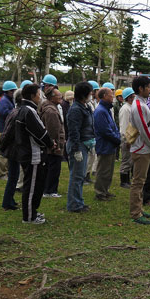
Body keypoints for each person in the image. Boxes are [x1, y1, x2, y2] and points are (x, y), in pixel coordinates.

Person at [7, 83, 55, 224]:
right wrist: (50, 143)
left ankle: (33, 212)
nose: (40, 97)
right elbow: (40, 132)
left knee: (36, 185)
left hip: (29, 152)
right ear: (33, 95)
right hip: (31, 154)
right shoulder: (28, 111)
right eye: (39, 94)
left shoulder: (25, 109)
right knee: (31, 186)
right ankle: (28, 217)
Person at [129, 76, 150, 225]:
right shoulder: (139, 106)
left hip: (143, 147)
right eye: (148, 87)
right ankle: (136, 213)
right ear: (140, 89)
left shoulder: (141, 103)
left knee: (141, 181)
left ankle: (139, 208)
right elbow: (144, 129)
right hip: (142, 148)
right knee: (138, 182)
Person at [65, 81, 95, 213]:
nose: (92, 95)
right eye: (90, 92)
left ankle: (78, 201)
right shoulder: (76, 109)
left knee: (80, 175)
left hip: (84, 144)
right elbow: (73, 131)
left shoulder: (84, 106)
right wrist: (76, 149)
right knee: (76, 176)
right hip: (78, 145)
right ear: (84, 94)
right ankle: (74, 205)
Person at [93, 87, 121, 201]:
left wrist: (117, 136)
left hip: (110, 145)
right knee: (103, 170)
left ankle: (105, 190)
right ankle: (100, 192)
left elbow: (113, 127)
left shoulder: (106, 109)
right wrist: (117, 139)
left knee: (108, 170)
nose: (113, 97)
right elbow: (105, 131)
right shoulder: (100, 111)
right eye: (111, 95)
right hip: (105, 144)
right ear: (104, 96)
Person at [41, 88, 66, 198]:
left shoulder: (51, 107)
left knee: (51, 167)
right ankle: (50, 191)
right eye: (58, 95)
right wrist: (56, 145)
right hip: (54, 145)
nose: (60, 97)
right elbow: (53, 131)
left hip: (54, 144)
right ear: (51, 97)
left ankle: (49, 189)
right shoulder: (51, 111)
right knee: (54, 168)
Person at [0, 81, 18, 181]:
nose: (14, 92)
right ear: (7, 91)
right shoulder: (4, 101)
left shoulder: (10, 100)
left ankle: (6, 172)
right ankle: (1, 174)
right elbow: (5, 113)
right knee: (3, 152)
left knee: (8, 152)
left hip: (8, 130)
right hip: (3, 130)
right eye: (12, 91)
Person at [118, 87, 135, 188]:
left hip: (131, 137)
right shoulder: (125, 109)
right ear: (128, 98)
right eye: (132, 96)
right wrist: (127, 140)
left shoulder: (130, 107)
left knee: (130, 160)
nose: (134, 97)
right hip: (126, 138)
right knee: (126, 160)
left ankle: (127, 179)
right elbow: (124, 126)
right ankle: (123, 181)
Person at [85, 80, 100, 183]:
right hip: (88, 133)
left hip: (93, 132)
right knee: (88, 157)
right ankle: (84, 175)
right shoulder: (87, 103)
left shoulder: (94, 102)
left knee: (92, 155)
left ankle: (87, 175)